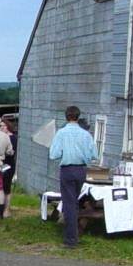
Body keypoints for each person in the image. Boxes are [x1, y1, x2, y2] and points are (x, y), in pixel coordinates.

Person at [49, 106, 97, 248]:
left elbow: (54, 154)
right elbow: (94, 155)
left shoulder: (61, 133)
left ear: (66, 116)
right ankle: (74, 233)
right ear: (78, 116)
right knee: (74, 202)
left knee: (69, 203)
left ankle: (71, 239)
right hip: (81, 169)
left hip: (67, 169)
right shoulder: (86, 135)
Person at [0, 116, 14, 220]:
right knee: (0, 188)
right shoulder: (5, 136)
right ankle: (0, 213)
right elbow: (10, 151)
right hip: (0, 163)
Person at [0, 118, 19, 218]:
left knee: (6, 187)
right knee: (0, 187)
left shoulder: (12, 138)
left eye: (4, 125)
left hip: (9, 164)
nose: (2, 127)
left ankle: (7, 209)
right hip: (0, 164)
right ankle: (1, 208)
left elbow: (11, 153)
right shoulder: (1, 137)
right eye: (0, 126)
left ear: (8, 126)